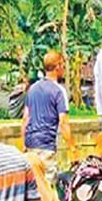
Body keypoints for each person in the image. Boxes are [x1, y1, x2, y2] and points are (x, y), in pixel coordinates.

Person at [21, 51, 74, 186]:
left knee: (32, 186)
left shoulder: (32, 89)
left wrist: (23, 144)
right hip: (46, 146)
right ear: (58, 67)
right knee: (47, 186)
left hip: (31, 145)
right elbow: (63, 123)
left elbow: (25, 119)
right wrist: (72, 148)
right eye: (63, 66)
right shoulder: (58, 91)